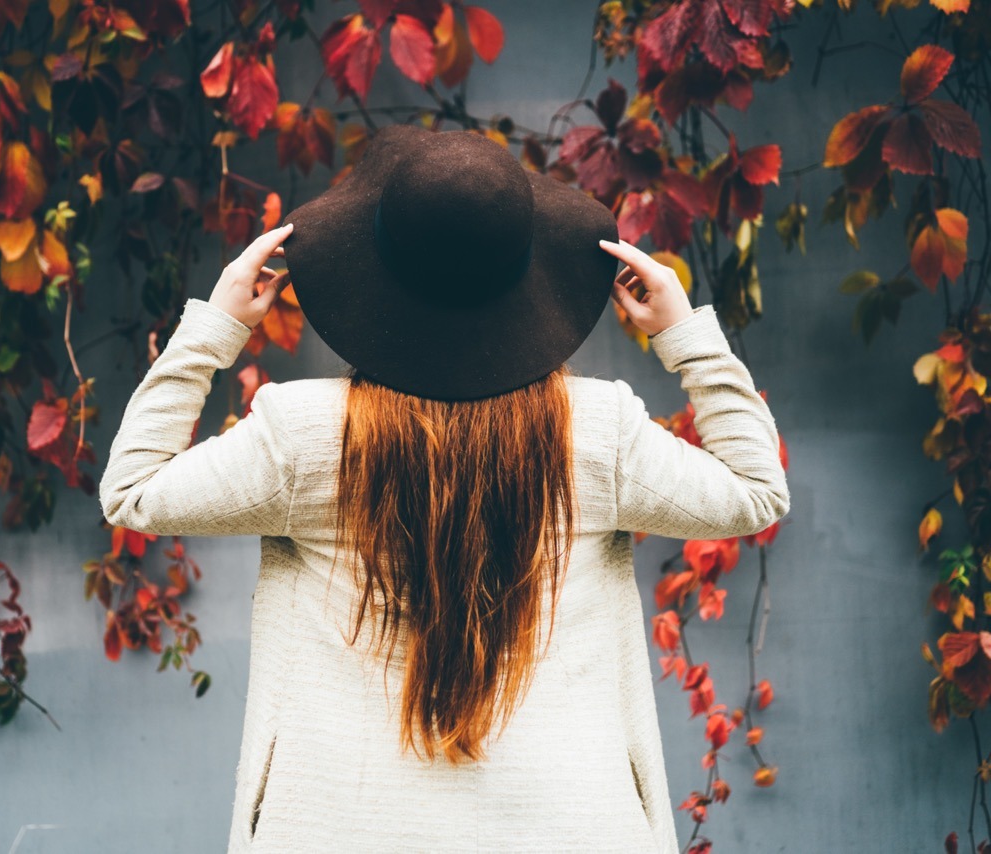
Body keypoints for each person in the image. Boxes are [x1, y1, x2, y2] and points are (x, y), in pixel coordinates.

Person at [98, 126, 789, 853]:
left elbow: (133, 491)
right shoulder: (599, 434)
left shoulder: (298, 436)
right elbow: (756, 491)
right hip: (574, 829)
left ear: (364, 269)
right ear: (530, 273)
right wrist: (685, 334)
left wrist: (214, 329)